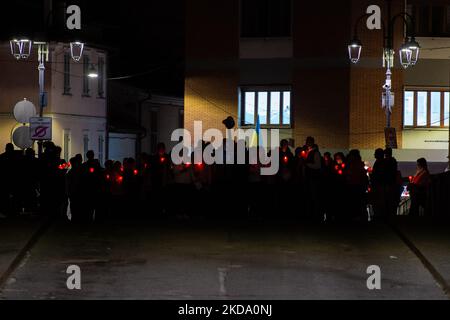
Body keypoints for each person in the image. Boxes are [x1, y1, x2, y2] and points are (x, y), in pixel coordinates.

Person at [345, 149, 368, 221]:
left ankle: (355, 216)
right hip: (358, 186)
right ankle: (360, 217)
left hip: (354, 185)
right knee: (359, 203)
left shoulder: (352, 164)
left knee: (355, 202)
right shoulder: (359, 164)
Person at [303, 136, 322, 220]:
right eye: (307, 142)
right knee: (308, 196)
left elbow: (318, 165)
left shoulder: (316, 153)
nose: (308, 143)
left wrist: (307, 164)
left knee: (314, 196)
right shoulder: (307, 152)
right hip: (307, 177)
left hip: (313, 177)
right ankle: (309, 213)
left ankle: (315, 214)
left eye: (309, 142)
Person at [370, 148, 386, 220]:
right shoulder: (382, 162)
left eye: (375, 153)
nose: (374, 154)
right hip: (380, 185)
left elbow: (378, 174)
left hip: (378, 186)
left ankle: (378, 216)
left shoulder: (379, 162)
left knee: (377, 202)